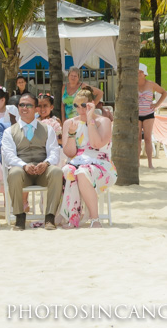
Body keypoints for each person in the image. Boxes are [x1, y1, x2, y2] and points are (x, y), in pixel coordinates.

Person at [1, 93, 62, 230]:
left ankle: (50, 217)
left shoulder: (48, 129)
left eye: (29, 105)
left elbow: (54, 152)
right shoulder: (9, 132)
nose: (24, 108)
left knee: (57, 172)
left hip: (42, 171)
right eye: (21, 105)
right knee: (14, 173)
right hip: (23, 171)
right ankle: (19, 217)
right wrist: (24, 165)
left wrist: (45, 163)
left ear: (35, 109)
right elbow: (9, 156)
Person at [60, 89, 116, 228]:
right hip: (77, 162)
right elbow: (69, 152)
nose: (80, 109)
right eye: (76, 106)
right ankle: (72, 218)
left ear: (91, 104)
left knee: (82, 172)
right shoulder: (70, 123)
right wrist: (72, 134)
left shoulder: (104, 121)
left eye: (83, 105)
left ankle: (95, 219)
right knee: (68, 170)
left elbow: (96, 144)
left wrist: (90, 120)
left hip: (101, 165)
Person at [137, 63, 167, 170]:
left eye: (141, 72)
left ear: (145, 74)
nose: (139, 73)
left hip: (148, 114)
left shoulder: (150, 84)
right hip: (136, 114)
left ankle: (150, 163)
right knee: (137, 139)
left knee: (147, 138)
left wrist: (156, 105)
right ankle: (137, 163)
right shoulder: (132, 85)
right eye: (137, 72)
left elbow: (164, 92)